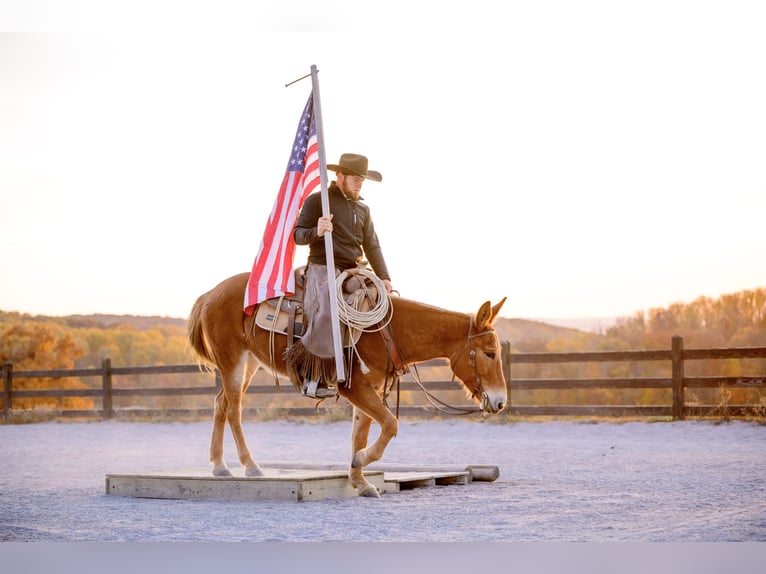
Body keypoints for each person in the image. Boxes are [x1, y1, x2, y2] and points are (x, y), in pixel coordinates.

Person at [289, 153, 393, 399]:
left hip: (353, 269)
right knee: (327, 309)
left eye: (362, 181)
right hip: (322, 266)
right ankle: (313, 377)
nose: (359, 184)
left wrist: (385, 276)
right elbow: (297, 235)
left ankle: (367, 368)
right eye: (356, 179)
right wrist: (317, 230)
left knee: (377, 302)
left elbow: (372, 246)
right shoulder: (318, 202)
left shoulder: (363, 209)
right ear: (340, 176)